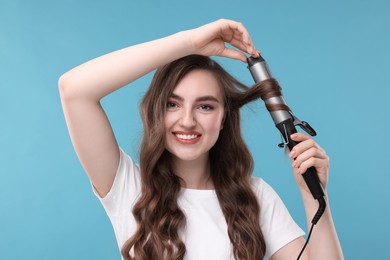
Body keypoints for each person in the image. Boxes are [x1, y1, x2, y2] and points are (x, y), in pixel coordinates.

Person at [59, 19, 343, 260]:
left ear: (223, 119)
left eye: (205, 106)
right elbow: (74, 90)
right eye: (173, 104)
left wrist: (314, 197)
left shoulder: (256, 197)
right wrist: (190, 42)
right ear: (157, 112)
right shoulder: (128, 187)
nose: (187, 120)